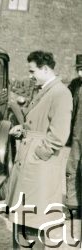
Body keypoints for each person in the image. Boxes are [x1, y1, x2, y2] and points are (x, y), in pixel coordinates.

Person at [8, 51, 72, 249]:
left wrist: (39, 153)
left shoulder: (60, 93)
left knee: (34, 220)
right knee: (25, 218)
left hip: (39, 167)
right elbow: (39, 123)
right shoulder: (45, 89)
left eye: (32, 71)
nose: (30, 75)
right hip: (31, 164)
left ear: (45, 69)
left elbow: (59, 135)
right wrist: (25, 130)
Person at [66, 54, 82, 218]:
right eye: (79, 69)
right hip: (77, 133)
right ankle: (73, 205)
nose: (80, 74)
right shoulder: (75, 85)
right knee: (72, 168)